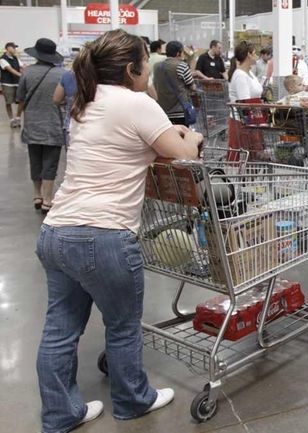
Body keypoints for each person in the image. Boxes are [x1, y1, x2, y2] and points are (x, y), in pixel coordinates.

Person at [35, 29, 201, 433]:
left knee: (60, 329)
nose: (150, 68)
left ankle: (60, 415)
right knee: (123, 326)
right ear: (132, 69)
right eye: (146, 62)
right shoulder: (136, 103)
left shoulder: (86, 101)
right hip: (103, 235)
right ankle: (132, 401)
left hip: (56, 230)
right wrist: (191, 136)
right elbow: (184, 156)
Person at [16, 38, 65, 213]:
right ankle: (47, 199)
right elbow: (66, 100)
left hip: (32, 124)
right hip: (54, 125)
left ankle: (37, 195)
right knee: (50, 163)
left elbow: (20, 97)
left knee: (35, 160)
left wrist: (17, 116)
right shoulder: (61, 74)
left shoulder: (27, 73)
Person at [154, 40, 195, 126]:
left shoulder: (157, 66)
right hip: (180, 111)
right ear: (178, 53)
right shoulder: (182, 66)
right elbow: (192, 87)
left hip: (163, 111)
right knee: (182, 137)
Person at [1, 41, 23, 127]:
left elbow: (22, 66)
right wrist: (21, 75)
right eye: (13, 47)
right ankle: (11, 120)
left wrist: (30, 70)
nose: (15, 49)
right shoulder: (2, 59)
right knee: (9, 102)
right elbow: (10, 69)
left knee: (21, 100)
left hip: (17, 83)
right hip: (7, 84)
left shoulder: (16, 58)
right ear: (8, 48)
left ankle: (17, 118)